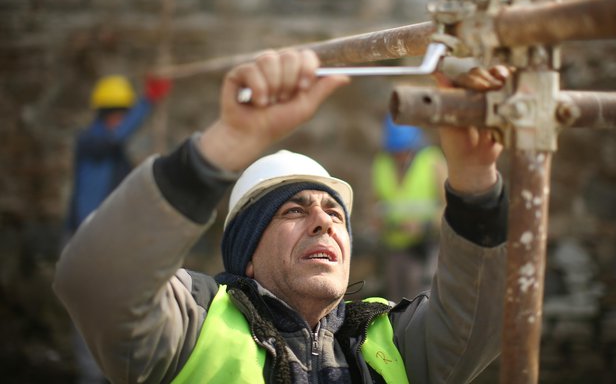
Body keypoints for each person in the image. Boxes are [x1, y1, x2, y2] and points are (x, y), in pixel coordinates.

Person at [54, 49, 510, 383]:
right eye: (294, 210)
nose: (324, 221)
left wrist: (475, 179)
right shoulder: (188, 327)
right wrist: (225, 144)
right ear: (247, 255)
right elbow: (94, 282)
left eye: (335, 213)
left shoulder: (398, 343)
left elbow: (487, 316)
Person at [63, 74, 171, 383]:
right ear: (104, 115)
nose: (118, 121)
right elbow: (116, 137)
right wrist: (148, 101)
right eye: (115, 115)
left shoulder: (115, 157)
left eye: (120, 116)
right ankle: (92, 376)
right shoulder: (92, 141)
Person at [371, 115, 447, 300]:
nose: (399, 155)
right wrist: (379, 221)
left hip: (425, 247)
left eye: (403, 150)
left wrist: (424, 226)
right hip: (393, 247)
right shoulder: (382, 163)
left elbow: (449, 207)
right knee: (395, 302)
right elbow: (375, 204)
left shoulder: (432, 161)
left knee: (422, 299)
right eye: (395, 151)